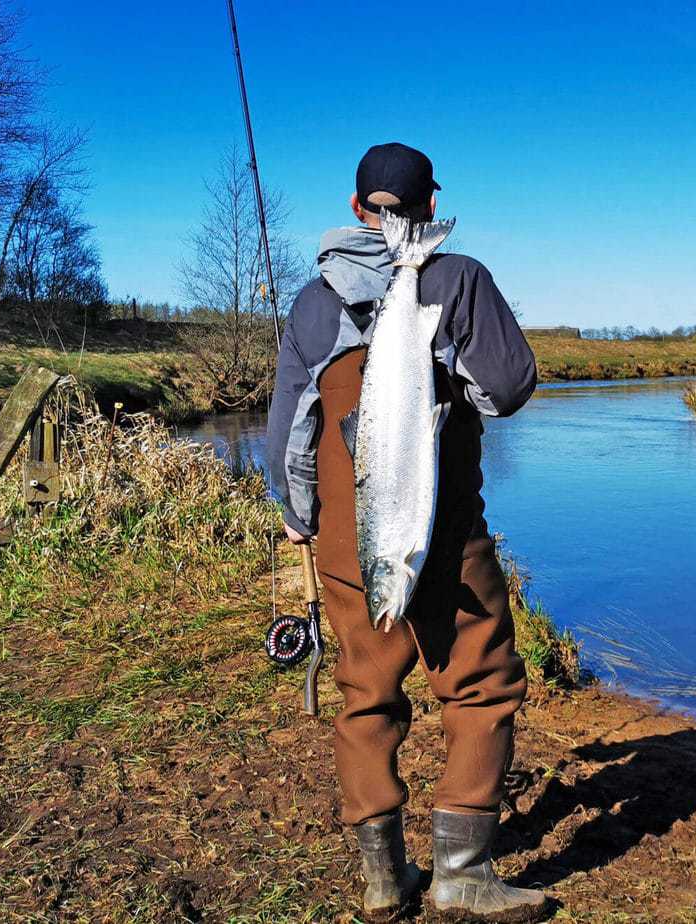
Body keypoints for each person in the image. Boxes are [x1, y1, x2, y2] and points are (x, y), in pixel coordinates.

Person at [265, 142, 546, 921]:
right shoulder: (456, 278)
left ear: (357, 206)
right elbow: (508, 388)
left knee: (364, 694)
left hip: (347, 543)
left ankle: (383, 879)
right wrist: (444, 342)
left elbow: (290, 425)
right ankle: (462, 873)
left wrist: (296, 519)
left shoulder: (312, 301)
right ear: (429, 206)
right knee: (481, 684)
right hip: (443, 534)